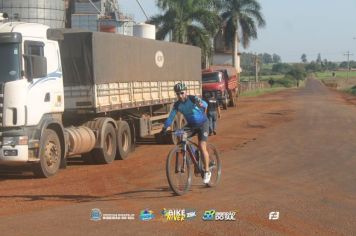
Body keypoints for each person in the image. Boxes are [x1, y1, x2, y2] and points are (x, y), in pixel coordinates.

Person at [161, 82, 211, 184]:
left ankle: (207, 171)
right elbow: (171, 117)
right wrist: (164, 128)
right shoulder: (177, 105)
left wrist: (200, 103)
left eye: (182, 93)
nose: (180, 95)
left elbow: (205, 105)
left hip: (203, 124)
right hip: (191, 125)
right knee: (180, 135)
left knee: (202, 146)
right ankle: (193, 154)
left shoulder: (193, 99)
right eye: (178, 94)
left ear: (186, 92)